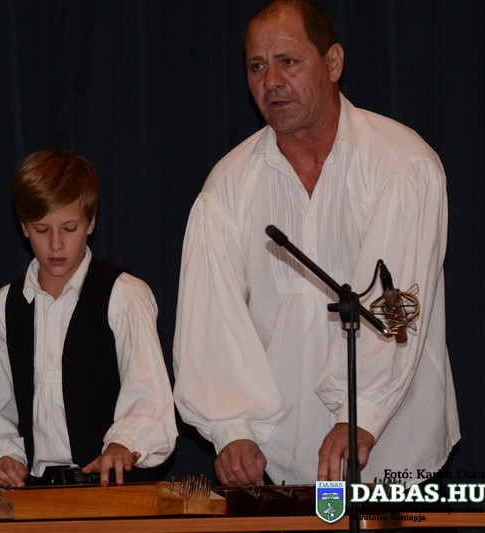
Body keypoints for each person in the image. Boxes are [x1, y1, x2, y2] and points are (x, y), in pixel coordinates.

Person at [173, 0, 459, 486]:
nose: (271, 81)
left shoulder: (402, 164)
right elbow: (210, 322)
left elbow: (396, 308)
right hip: (274, 463)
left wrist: (360, 412)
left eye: (288, 61)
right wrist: (230, 430)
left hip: (392, 451)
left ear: (333, 62)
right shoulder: (226, 187)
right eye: (257, 67)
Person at [0, 149, 177, 488]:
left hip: (113, 491)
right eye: (41, 229)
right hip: (34, 492)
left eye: (70, 228)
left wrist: (124, 443)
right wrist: (4, 456)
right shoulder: (3, 307)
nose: (56, 245)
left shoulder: (124, 295)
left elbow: (149, 396)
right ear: (23, 227)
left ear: (91, 221)